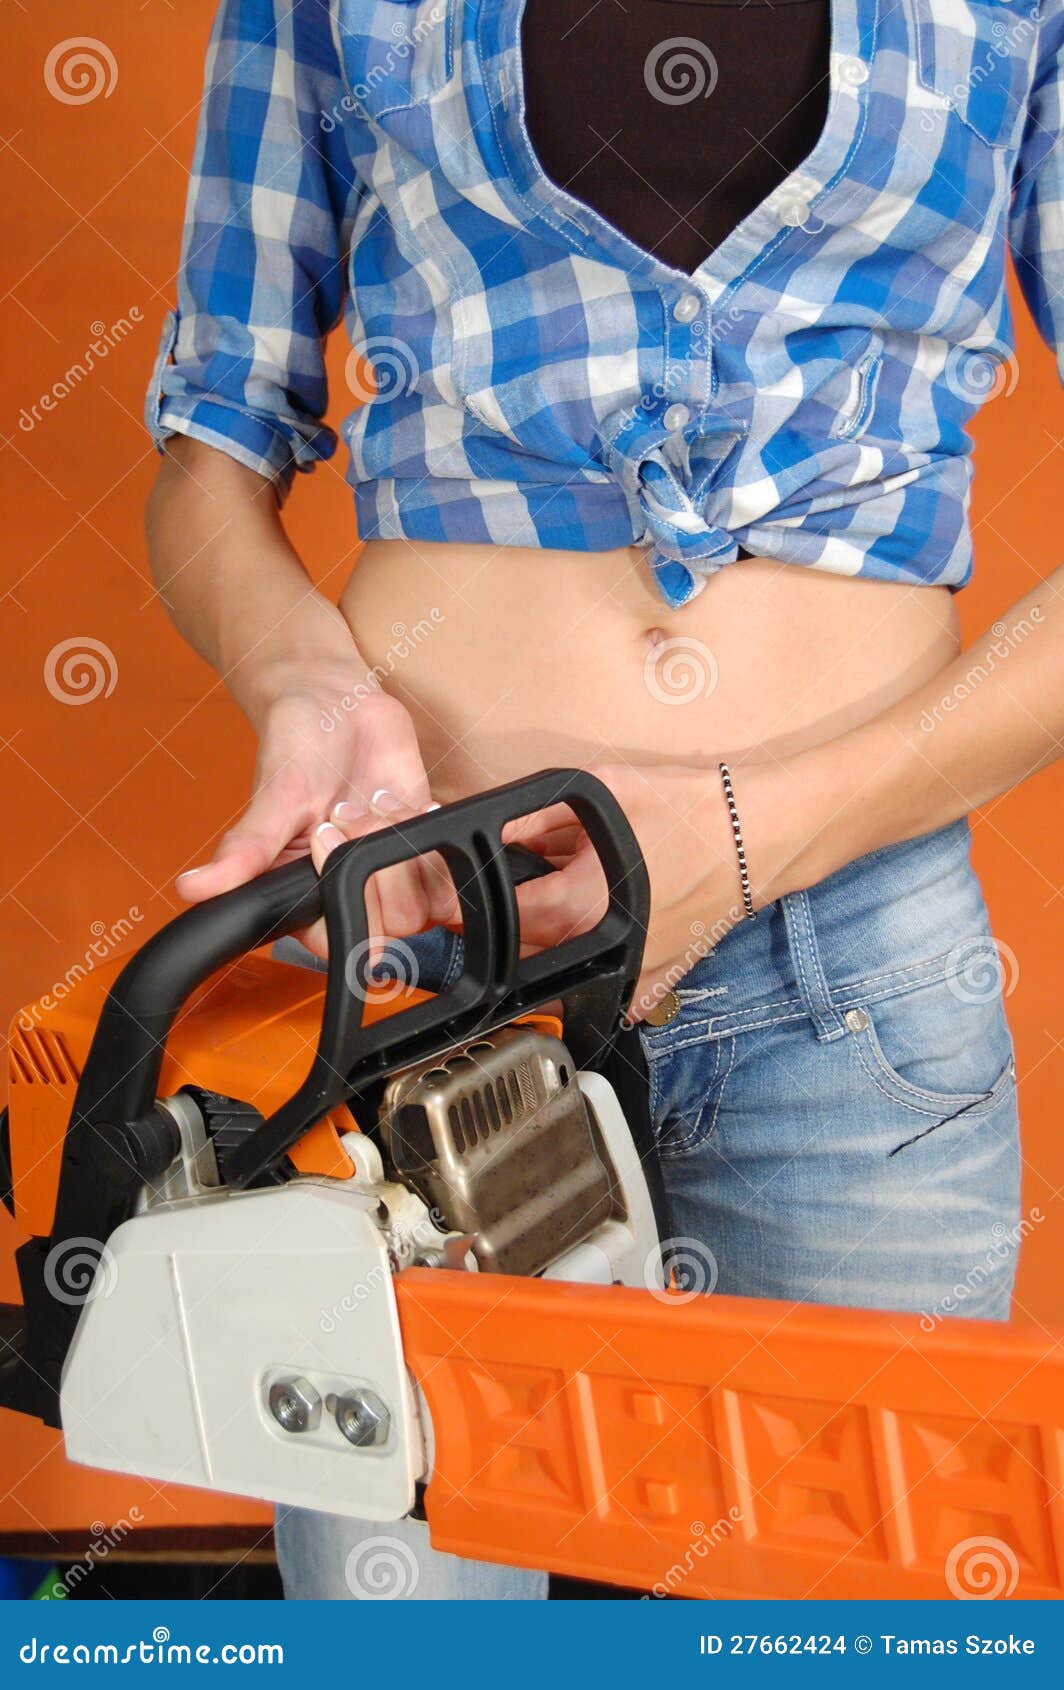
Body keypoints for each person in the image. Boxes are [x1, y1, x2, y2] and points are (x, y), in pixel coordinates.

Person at [145, 0, 1063, 1599]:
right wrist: (307, 683)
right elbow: (211, 449)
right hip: (429, 966)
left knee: (836, 1626)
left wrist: (743, 837)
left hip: (851, 994)